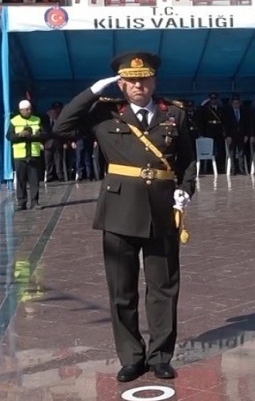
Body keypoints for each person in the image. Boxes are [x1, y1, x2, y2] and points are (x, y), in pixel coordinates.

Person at [53, 51, 196, 383]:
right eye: (131, 81)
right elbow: (61, 128)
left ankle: (160, 356)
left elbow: (187, 159)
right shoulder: (104, 113)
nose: (138, 85)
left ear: (154, 81)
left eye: (144, 79)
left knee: (164, 287)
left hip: (162, 209)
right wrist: (92, 91)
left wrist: (186, 189)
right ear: (121, 84)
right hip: (119, 211)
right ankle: (131, 356)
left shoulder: (173, 113)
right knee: (122, 289)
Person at [8, 99, 48, 211]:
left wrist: (37, 135)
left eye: (30, 109)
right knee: (21, 180)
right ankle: (21, 202)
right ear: (21, 110)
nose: (29, 111)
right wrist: (20, 135)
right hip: (20, 155)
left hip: (33, 154)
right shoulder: (14, 121)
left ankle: (34, 202)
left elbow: (45, 134)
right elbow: (9, 136)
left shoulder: (37, 120)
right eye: (26, 109)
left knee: (34, 180)